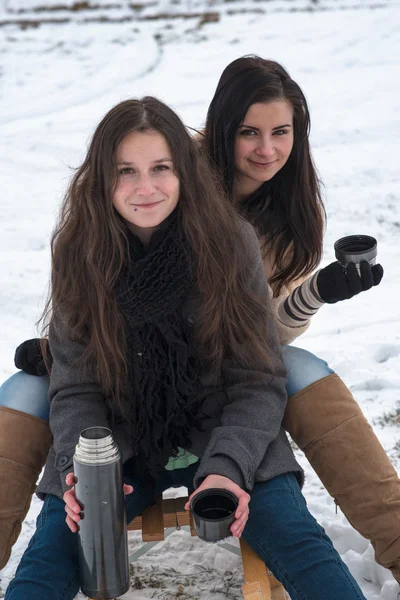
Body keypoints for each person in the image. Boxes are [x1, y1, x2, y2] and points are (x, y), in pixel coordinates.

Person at [3, 97, 367, 600]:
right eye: (125, 171)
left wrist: (228, 469)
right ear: (101, 178)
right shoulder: (79, 251)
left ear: (185, 172)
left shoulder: (229, 243)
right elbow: (76, 388)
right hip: (117, 442)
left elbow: (257, 379)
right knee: (48, 558)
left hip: (224, 430)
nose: (145, 187)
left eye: (160, 168)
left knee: (302, 544)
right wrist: (78, 471)